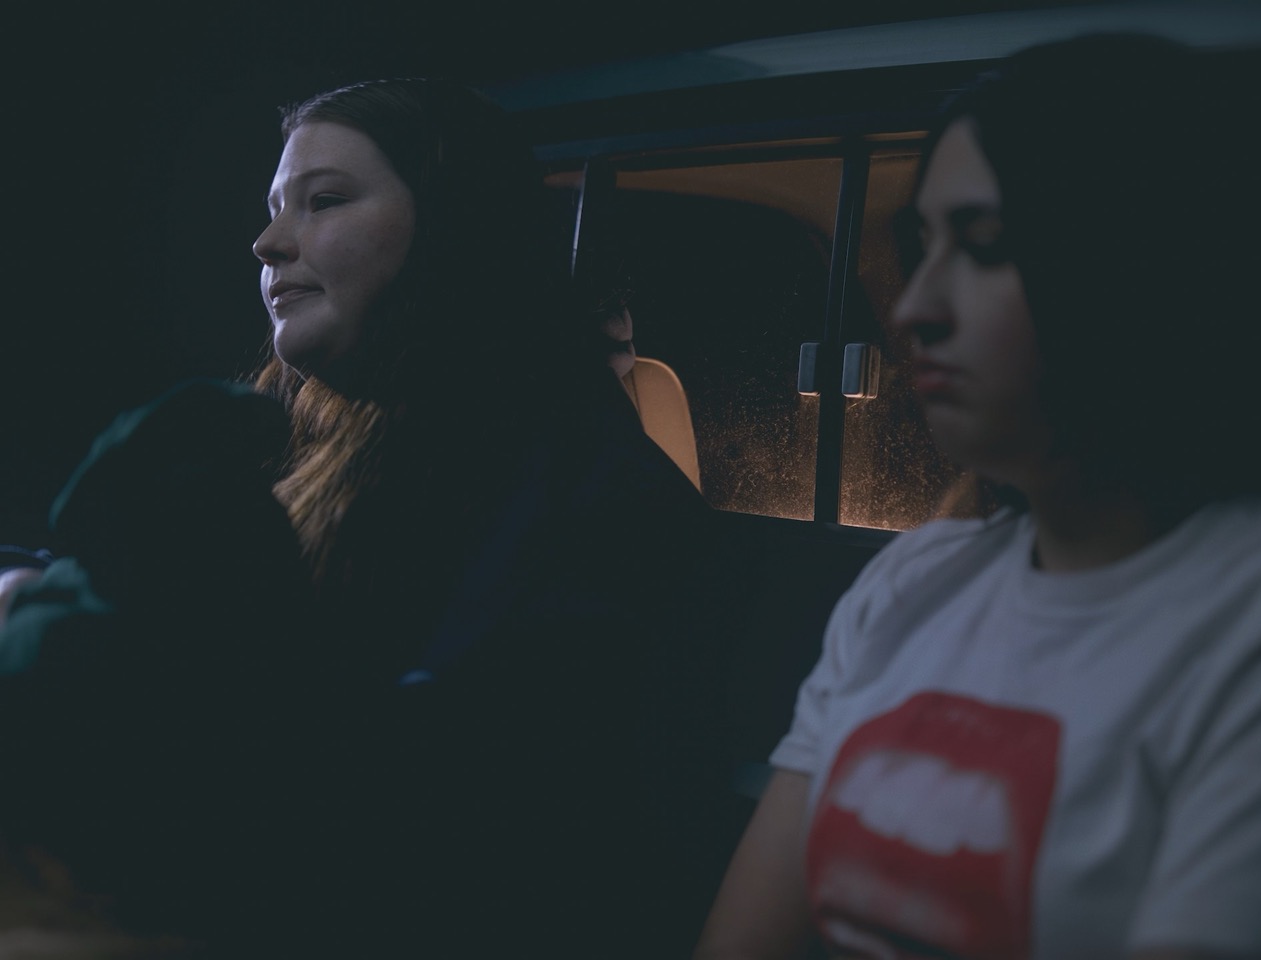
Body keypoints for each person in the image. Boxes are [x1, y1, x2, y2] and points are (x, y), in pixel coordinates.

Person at [0, 77, 738, 956]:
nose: (268, 242)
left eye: (325, 200)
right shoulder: (283, 435)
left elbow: (440, 806)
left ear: (456, 225)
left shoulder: (599, 503)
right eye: (276, 208)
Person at [694, 34, 1261, 960]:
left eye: (988, 245)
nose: (915, 306)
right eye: (921, 247)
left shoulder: (1250, 625)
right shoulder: (917, 580)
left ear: (1149, 259)